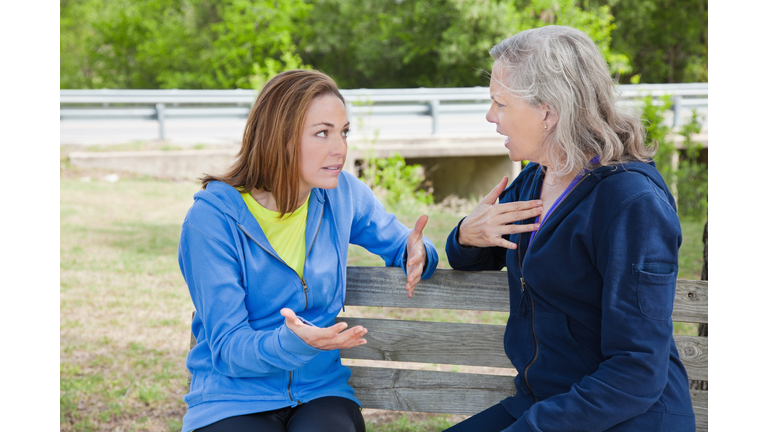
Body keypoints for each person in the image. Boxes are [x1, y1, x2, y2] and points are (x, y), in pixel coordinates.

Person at [444, 26, 695, 431]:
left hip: (623, 416)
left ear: (548, 110)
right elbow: (482, 253)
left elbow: (637, 371)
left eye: (500, 103)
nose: (491, 116)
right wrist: (465, 235)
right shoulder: (534, 179)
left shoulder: (632, 203)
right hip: (545, 404)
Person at [178, 69, 439, 432]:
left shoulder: (341, 194)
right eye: (322, 133)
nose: (340, 149)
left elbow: (400, 241)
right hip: (232, 398)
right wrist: (293, 342)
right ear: (279, 139)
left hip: (320, 392)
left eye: (344, 132)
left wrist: (419, 250)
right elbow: (228, 348)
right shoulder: (212, 220)